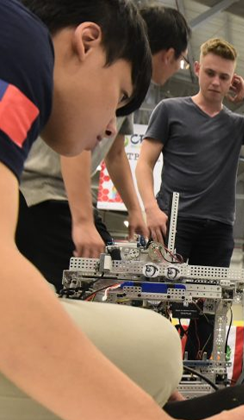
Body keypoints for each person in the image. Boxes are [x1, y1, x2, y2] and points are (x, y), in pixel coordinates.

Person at [0, 0, 244, 420]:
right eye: (118, 96)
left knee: (150, 352)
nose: (111, 127)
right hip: (159, 218)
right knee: (156, 349)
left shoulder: (21, 49)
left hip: (210, 223)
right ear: (86, 42)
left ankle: (124, 410)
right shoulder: (23, 46)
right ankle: (139, 411)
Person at [15, 5, 191, 291]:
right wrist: (82, 220)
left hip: (61, 197)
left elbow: (116, 153)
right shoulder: (104, 67)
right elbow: (78, 146)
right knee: (90, 286)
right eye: (120, 95)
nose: (109, 126)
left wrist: (136, 210)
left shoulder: (115, 75)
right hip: (46, 194)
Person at [136, 37, 244, 359]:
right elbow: (144, 163)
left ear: (233, 80)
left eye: (224, 77)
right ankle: (150, 362)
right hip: (172, 220)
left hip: (218, 226)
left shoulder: (236, 124)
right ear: (197, 69)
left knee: (208, 309)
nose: (216, 82)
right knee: (157, 299)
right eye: (211, 73)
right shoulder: (170, 109)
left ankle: (198, 371)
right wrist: (150, 208)